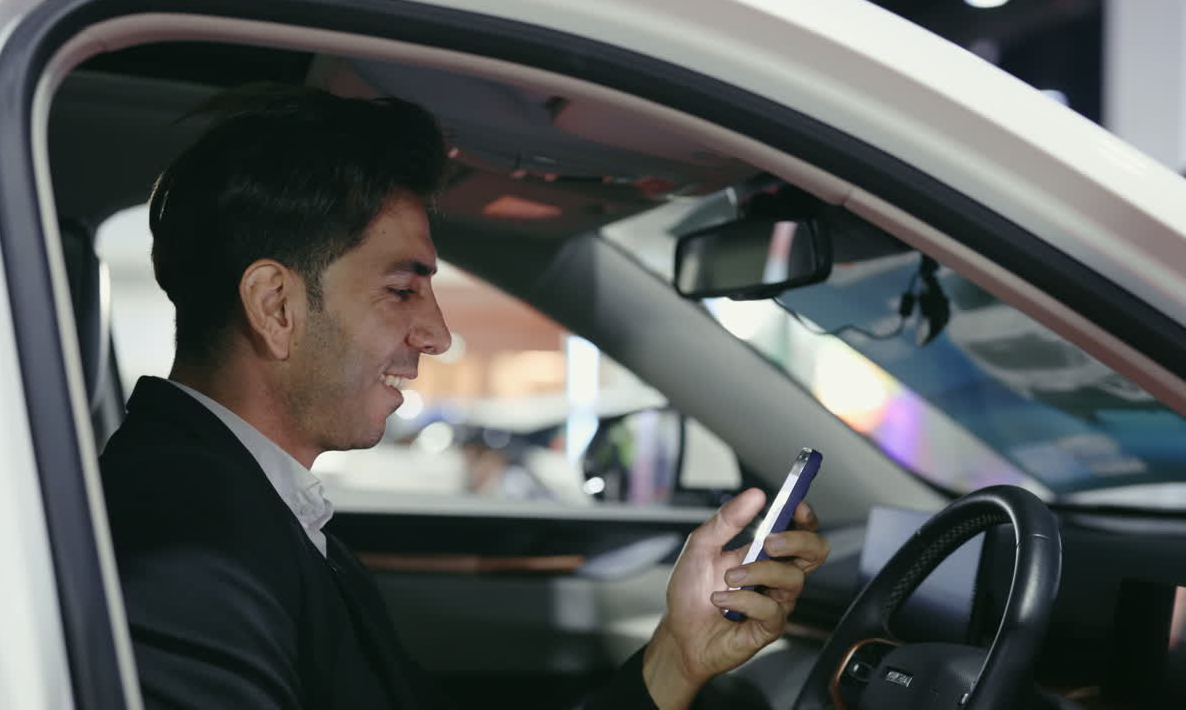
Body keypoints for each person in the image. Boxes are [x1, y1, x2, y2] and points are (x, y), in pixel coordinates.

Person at [100, 84, 830, 709]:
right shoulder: (185, 550)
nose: (438, 334)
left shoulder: (246, 509)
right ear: (276, 306)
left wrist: (679, 653)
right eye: (401, 289)